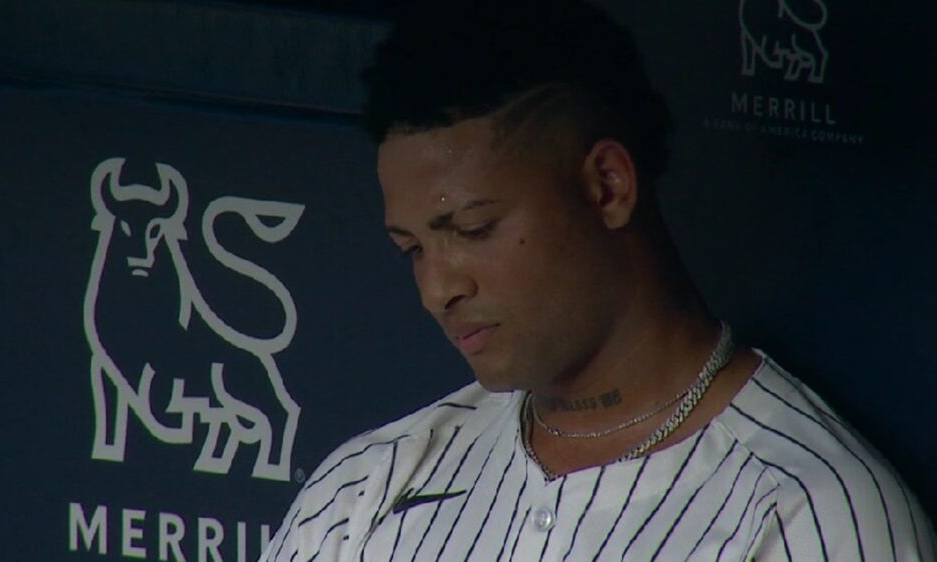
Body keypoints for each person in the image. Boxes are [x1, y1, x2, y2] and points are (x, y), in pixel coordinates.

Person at [260, 0, 935, 560]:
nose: (438, 289)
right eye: (411, 249)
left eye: (472, 230)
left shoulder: (810, 517)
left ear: (607, 186)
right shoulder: (364, 491)